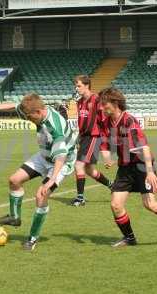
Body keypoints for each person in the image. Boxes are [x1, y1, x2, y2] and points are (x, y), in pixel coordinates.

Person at [0, 94, 77, 251]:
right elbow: (13, 106)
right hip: (44, 155)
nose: (28, 119)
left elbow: (61, 156)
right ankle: (15, 218)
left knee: (41, 195)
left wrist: (52, 179)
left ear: (40, 112)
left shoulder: (55, 126)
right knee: (14, 180)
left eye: (30, 117)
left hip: (61, 163)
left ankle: (32, 238)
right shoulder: (34, 111)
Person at [98, 87, 157, 247]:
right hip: (125, 168)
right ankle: (129, 238)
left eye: (104, 103)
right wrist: (106, 157)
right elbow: (105, 145)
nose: (101, 107)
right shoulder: (106, 123)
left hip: (141, 165)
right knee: (116, 204)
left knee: (150, 205)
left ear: (115, 103)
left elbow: (144, 147)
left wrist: (149, 172)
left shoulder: (129, 121)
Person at [71, 75, 112, 207]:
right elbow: (82, 121)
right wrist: (79, 137)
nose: (77, 88)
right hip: (84, 138)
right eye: (76, 86)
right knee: (89, 170)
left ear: (87, 85)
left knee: (78, 165)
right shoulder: (80, 102)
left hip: (94, 136)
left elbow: (105, 121)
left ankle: (80, 197)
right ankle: (112, 185)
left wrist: (105, 147)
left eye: (79, 86)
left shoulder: (96, 100)